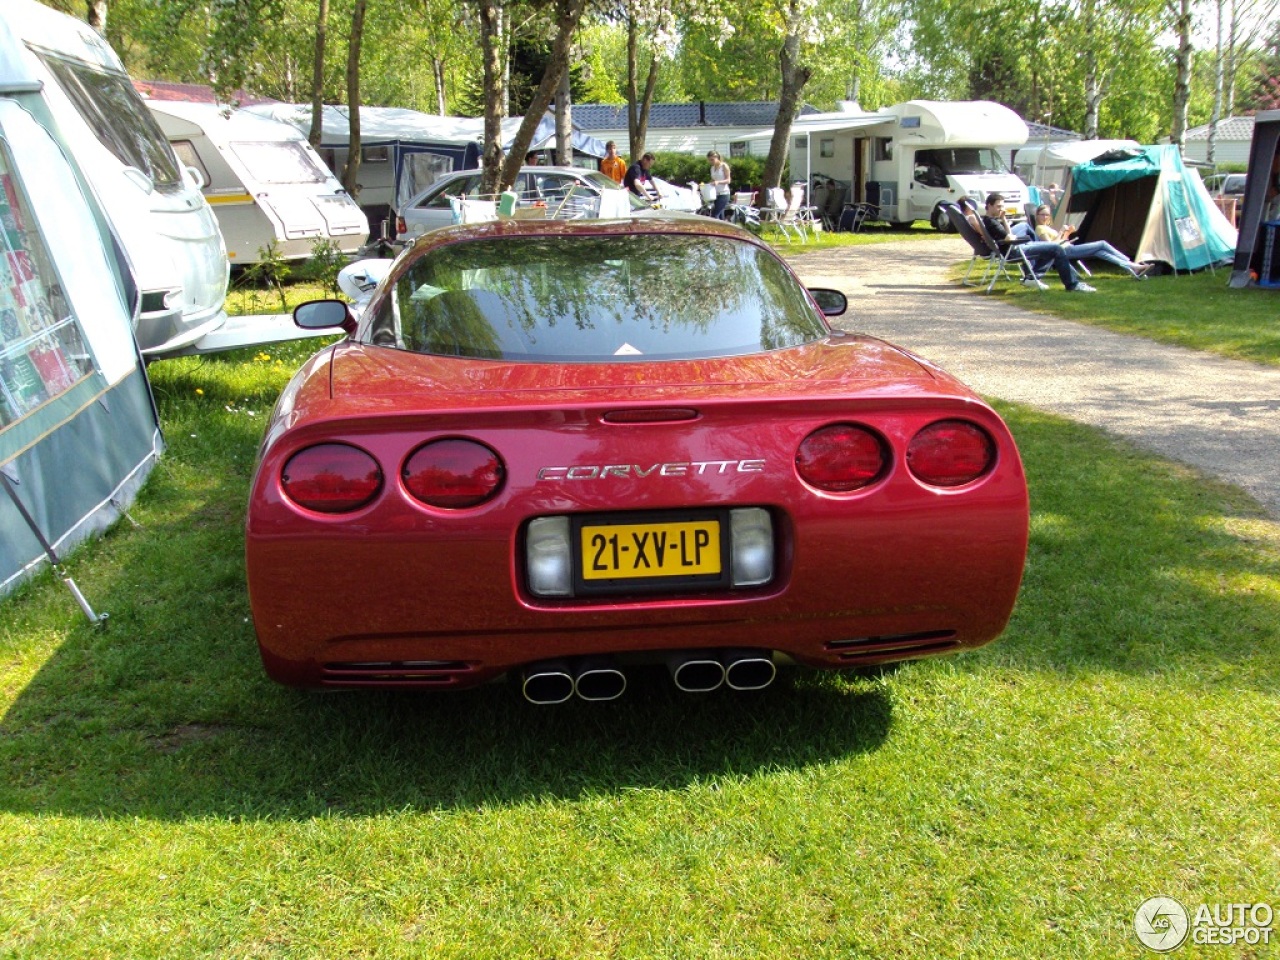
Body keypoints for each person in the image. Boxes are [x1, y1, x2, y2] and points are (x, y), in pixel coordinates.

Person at [982, 193, 1095, 292]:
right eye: (998, 206)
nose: (1001, 209)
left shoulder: (990, 220)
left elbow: (1007, 235)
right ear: (989, 206)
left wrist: (1004, 219)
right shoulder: (992, 223)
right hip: (1014, 250)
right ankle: (1073, 285)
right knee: (1056, 248)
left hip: (1012, 248)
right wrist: (1019, 237)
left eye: (1002, 206)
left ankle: (1031, 278)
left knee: (1050, 247)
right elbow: (1009, 238)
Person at [1032, 205, 1152, 278]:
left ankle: (1132, 267)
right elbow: (1050, 247)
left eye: (1047, 215)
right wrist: (1060, 232)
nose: (1045, 217)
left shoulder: (1048, 228)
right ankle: (1132, 264)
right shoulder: (1040, 228)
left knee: (1100, 252)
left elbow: (1062, 241)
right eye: (1042, 215)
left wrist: (1067, 233)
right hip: (1065, 251)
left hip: (1067, 247)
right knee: (1102, 244)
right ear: (1037, 216)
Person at [706, 150, 731, 219]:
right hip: (715, 194)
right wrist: (705, 185)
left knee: (714, 214)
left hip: (724, 194)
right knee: (720, 215)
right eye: (709, 160)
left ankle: (714, 229)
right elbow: (713, 179)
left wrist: (718, 182)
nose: (711, 162)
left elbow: (728, 180)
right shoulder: (712, 168)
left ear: (717, 157)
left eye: (712, 160)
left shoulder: (724, 166)